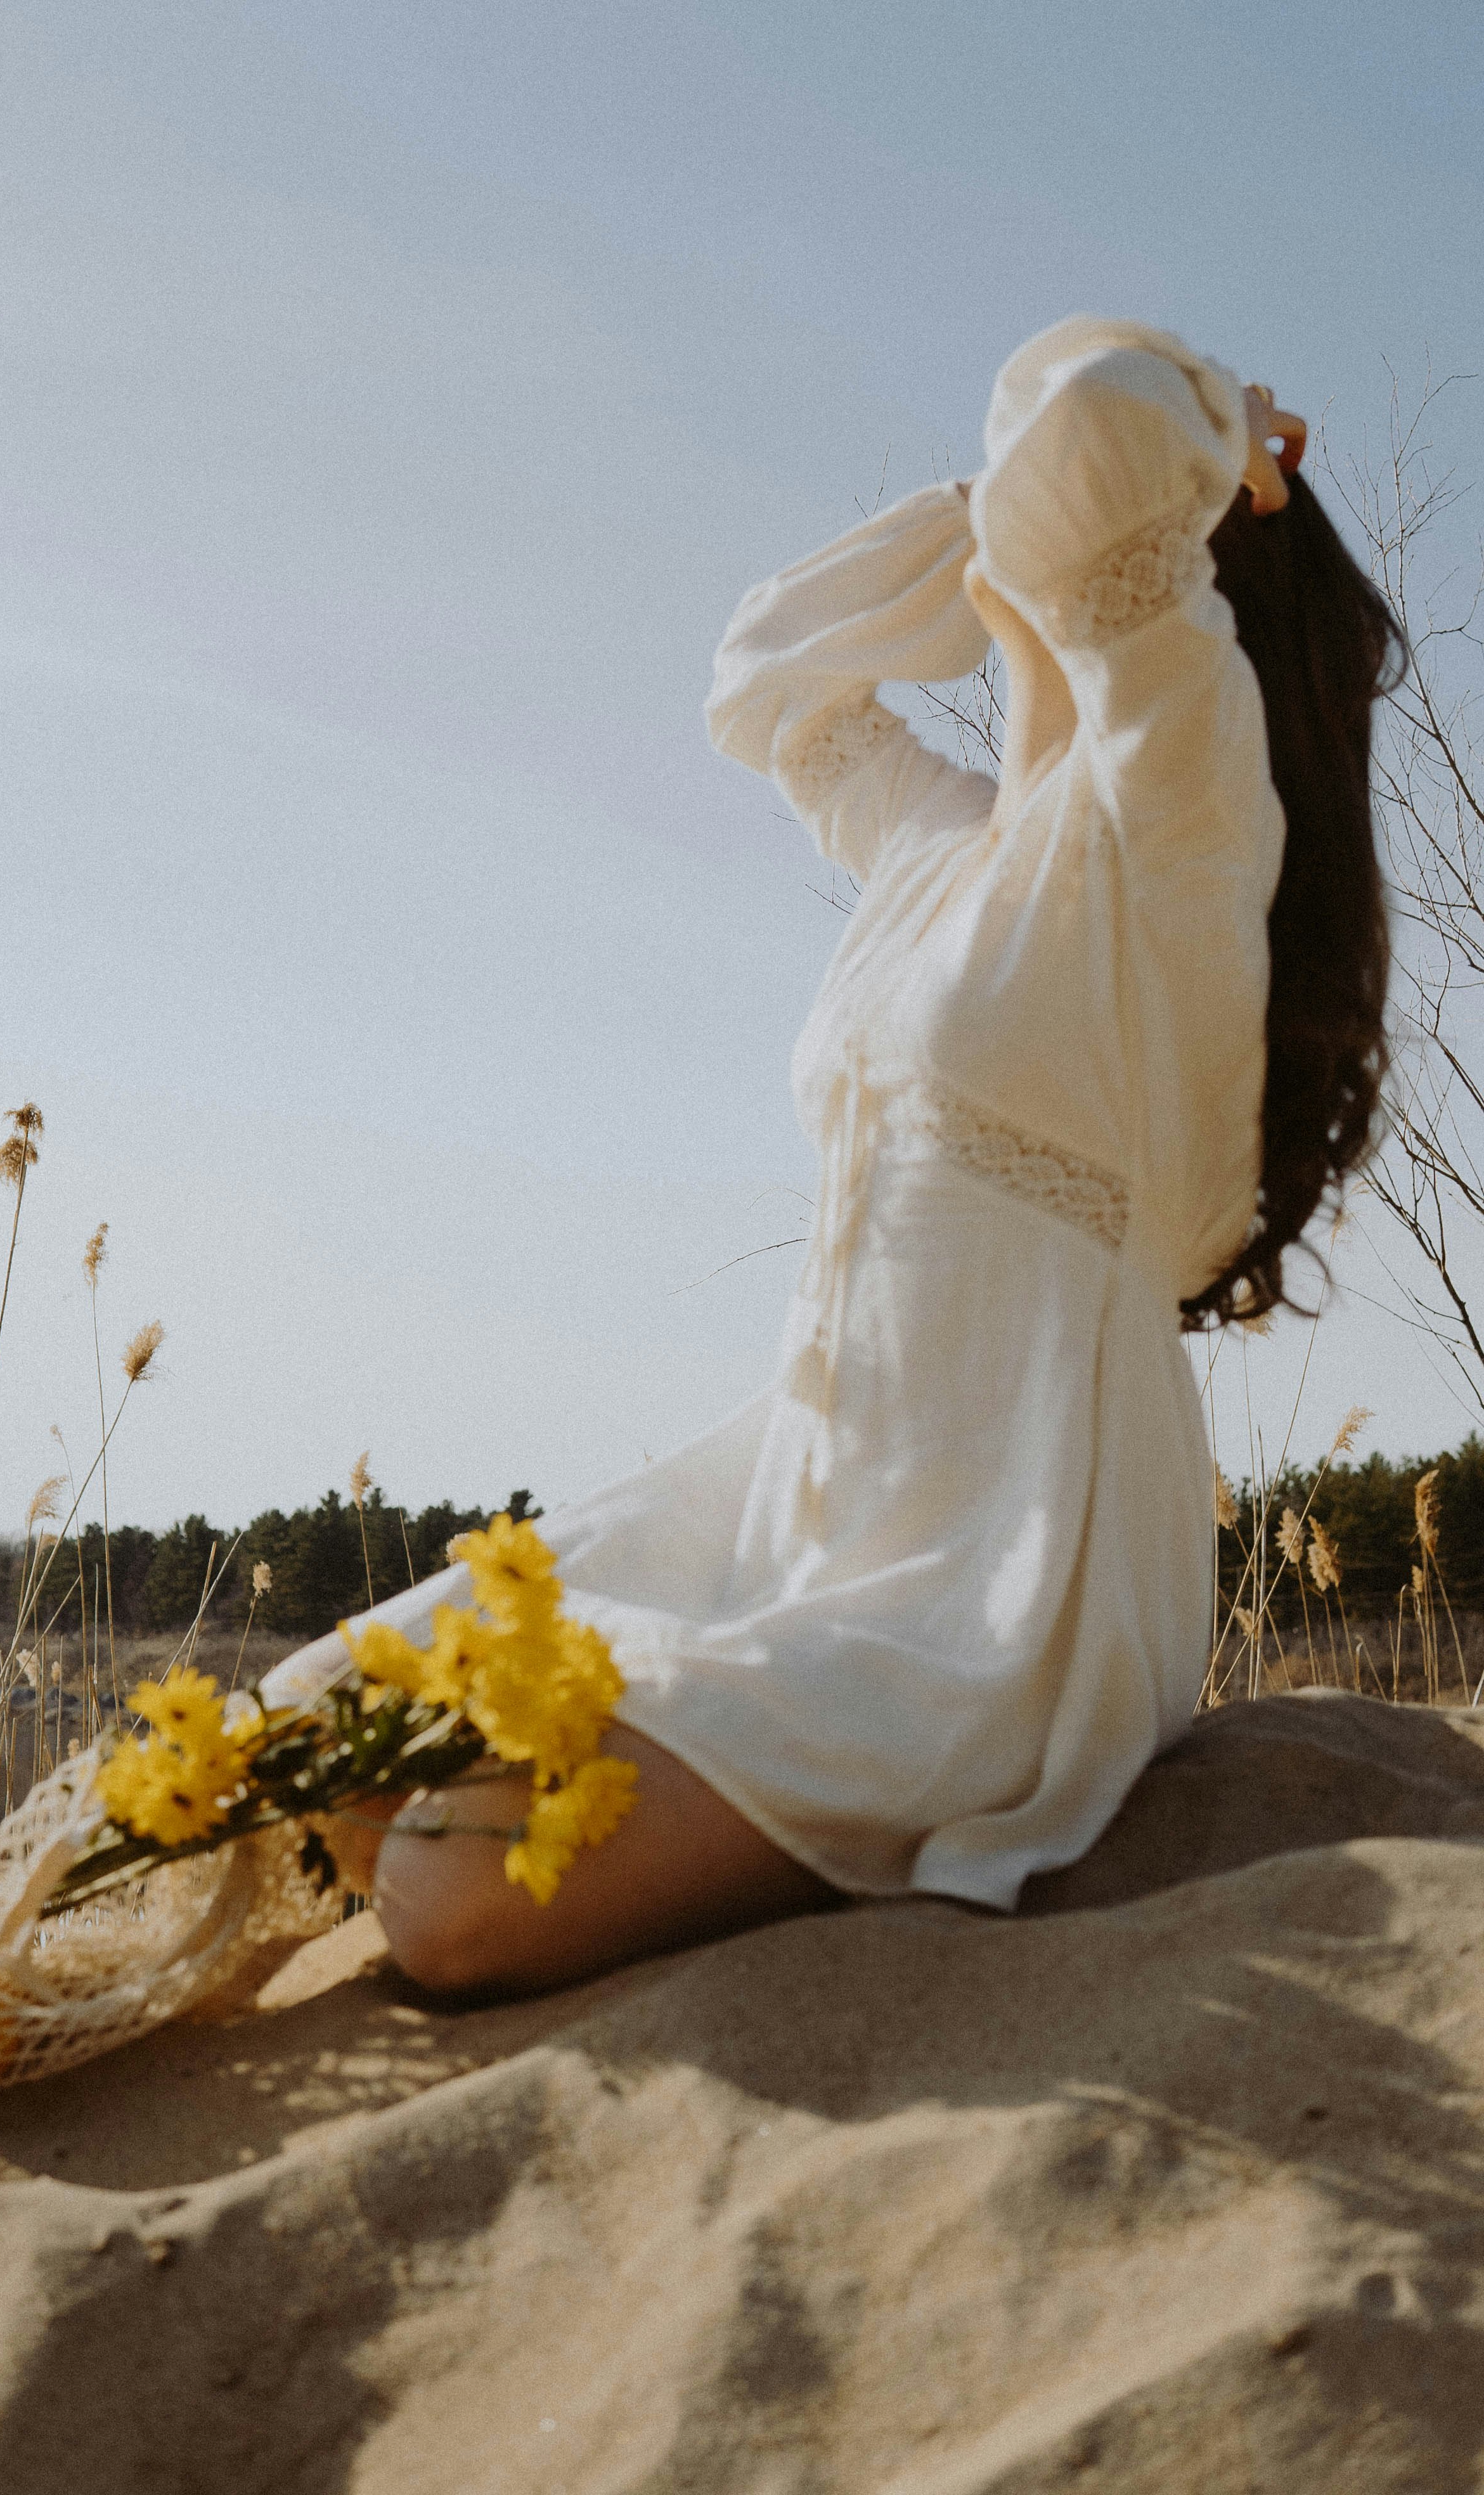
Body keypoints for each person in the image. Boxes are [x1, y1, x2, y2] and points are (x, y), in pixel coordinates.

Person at [271, 316, 1401, 1998]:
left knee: (447, 1891)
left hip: (1002, 1571)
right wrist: (974, 512)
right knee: (313, 1739)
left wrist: (1211, 424)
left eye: (1024, 490)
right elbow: (769, 674)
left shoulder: (1177, 823)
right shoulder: (947, 849)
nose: (1012, 519)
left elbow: (1091, 425)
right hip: (795, 1510)